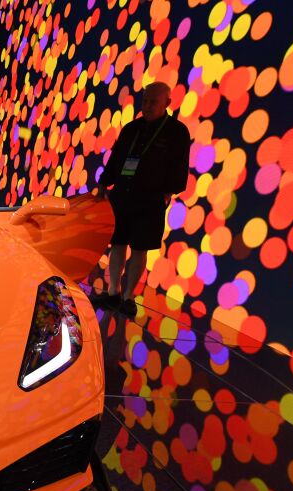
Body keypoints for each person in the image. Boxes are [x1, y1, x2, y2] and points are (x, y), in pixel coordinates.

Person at [95, 81, 190, 317]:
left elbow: (180, 166)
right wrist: (104, 182)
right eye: (145, 101)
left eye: (152, 102)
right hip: (123, 195)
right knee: (117, 244)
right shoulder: (131, 128)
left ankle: (128, 297)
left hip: (150, 200)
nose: (146, 106)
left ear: (167, 103)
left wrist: (168, 192)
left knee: (140, 248)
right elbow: (116, 158)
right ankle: (113, 292)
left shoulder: (177, 132)